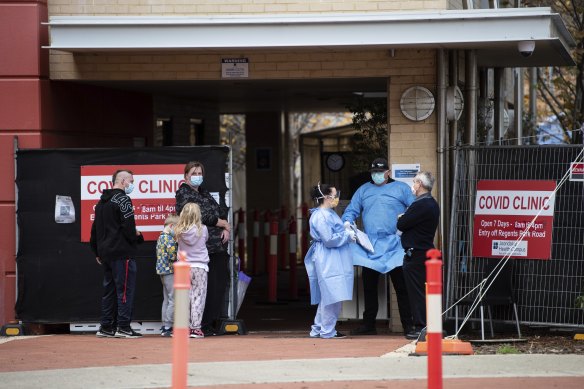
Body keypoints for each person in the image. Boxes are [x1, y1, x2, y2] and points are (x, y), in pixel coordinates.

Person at [341, 157, 415, 337]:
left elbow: (415, 209)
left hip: (395, 244)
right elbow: (351, 210)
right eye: (374, 172)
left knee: (402, 287)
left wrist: (407, 228)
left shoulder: (402, 188)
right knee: (369, 287)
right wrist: (347, 224)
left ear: (388, 173)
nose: (377, 175)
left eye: (380, 172)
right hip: (370, 246)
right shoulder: (363, 190)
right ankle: (369, 324)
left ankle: (408, 326)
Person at [175, 161, 231, 336]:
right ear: (186, 176)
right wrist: (221, 223)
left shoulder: (204, 192)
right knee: (196, 292)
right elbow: (197, 216)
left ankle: (207, 324)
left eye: (200, 173)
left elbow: (219, 211)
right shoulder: (183, 193)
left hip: (217, 247)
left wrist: (224, 227)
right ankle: (197, 325)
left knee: (216, 287)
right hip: (200, 252)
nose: (197, 176)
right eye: (194, 173)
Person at [90, 169, 144, 339]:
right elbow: (128, 227)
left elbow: (94, 230)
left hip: (106, 253)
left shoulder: (101, 203)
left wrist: (97, 251)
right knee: (125, 290)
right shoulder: (123, 199)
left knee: (110, 291)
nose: (132, 184)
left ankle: (106, 326)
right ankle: (123, 327)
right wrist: (136, 237)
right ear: (122, 181)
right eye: (131, 181)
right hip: (122, 253)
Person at [305, 183, 355, 339]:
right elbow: (328, 239)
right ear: (326, 197)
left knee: (329, 294)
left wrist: (345, 229)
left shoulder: (328, 213)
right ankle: (328, 330)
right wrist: (346, 235)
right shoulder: (322, 216)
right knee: (332, 294)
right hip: (328, 257)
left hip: (333, 256)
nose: (337, 198)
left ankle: (319, 328)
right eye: (334, 195)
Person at [397, 171, 440, 340]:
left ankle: (421, 326)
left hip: (416, 254)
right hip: (423, 252)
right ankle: (425, 325)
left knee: (417, 293)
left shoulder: (420, 204)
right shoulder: (432, 204)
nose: (413, 186)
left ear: (420, 184)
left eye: (414, 182)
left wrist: (403, 217)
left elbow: (402, 223)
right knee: (423, 291)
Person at [175, 202, 210, 338]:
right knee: (198, 297)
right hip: (199, 267)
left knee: (184, 298)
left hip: (183, 267)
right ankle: (195, 328)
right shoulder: (203, 229)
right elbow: (205, 240)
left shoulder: (179, 230)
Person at [156, 214, 179, 337]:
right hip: (170, 271)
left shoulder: (160, 237)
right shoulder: (169, 239)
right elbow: (173, 256)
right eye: (178, 228)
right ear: (171, 226)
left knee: (167, 299)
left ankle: (164, 325)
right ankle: (168, 326)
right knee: (173, 299)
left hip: (162, 272)